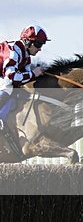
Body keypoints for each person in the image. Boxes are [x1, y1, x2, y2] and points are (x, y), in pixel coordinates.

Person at [0, 25, 48, 157]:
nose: (39, 48)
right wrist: (33, 74)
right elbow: (11, 78)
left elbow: (25, 76)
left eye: (41, 44)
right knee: (9, 88)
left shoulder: (26, 55)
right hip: (5, 79)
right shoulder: (13, 51)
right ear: (27, 41)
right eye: (38, 44)